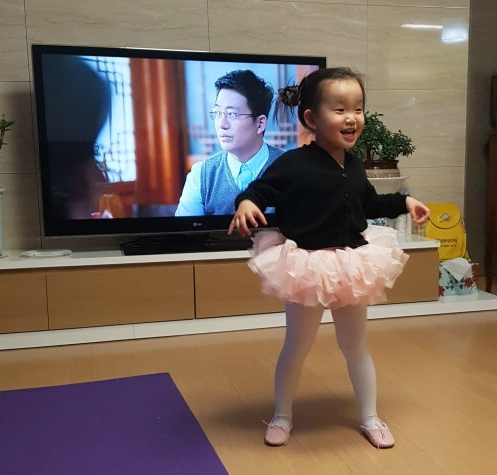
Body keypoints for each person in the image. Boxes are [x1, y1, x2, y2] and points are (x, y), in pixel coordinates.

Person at [228, 67, 430, 448]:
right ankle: (282, 416)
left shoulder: (353, 165)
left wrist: (405, 202)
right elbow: (258, 190)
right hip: (306, 266)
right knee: (297, 344)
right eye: (339, 109)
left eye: (358, 108)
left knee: (355, 346)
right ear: (311, 118)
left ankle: (370, 417)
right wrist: (246, 203)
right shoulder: (292, 163)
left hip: (350, 264)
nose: (352, 118)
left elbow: (369, 202)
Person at [175, 70, 284, 216]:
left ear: (260, 124)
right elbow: (186, 229)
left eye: (231, 114)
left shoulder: (289, 168)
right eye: (218, 113)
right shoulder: (201, 175)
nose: (222, 124)